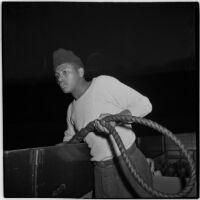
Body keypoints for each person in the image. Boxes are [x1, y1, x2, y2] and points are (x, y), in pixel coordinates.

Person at [53, 48, 153, 198]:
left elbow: (145, 104)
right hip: (100, 171)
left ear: (80, 71)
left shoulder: (103, 84)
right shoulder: (71, 109)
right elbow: (70, 140)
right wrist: (58, 150)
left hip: (128, 163)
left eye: (65, 72)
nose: (60, 78)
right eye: (57, 75)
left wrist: (116, 119)